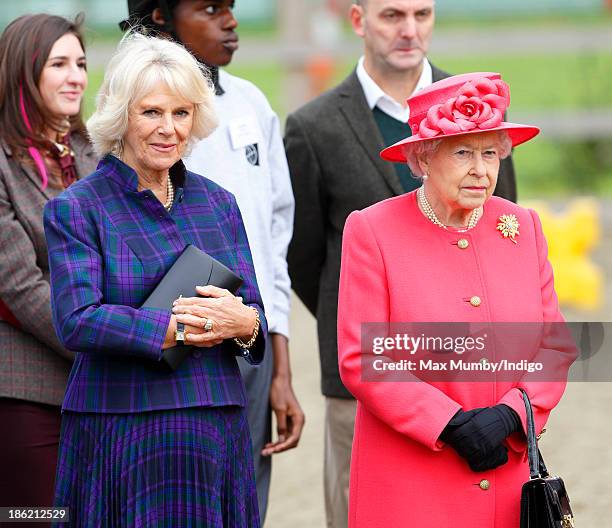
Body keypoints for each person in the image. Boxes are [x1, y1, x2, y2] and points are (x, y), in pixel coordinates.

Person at [284, 1, 517, 525]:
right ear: (358, 20)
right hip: (365, 374)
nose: (409, 29)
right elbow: (304, 255)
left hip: (477, 374)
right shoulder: (312, 126)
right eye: (392, 14)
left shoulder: (478, 112)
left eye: (422, 13)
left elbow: (502, 232)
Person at [44, 33, 266, 526]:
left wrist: (244, 322)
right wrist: (181, 328)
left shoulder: (219, 203)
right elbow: (77, 320)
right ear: (121, 114)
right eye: (151, 112)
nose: (168, 129)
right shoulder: (78, 207)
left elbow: (254, 317)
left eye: (181, 113)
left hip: (215, 426)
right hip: (122, 429)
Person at [337, 72, 575, 527]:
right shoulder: (372, 230)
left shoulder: (522, 226)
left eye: (490, 153)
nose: (481, 170)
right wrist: (446, 423)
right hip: (410, 481)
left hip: (506, 473)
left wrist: (511, 415)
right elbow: (362, 357)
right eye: (463, 152)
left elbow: (555, 345)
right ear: (422, 157)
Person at [119, 2, 304, 519]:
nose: (230, 21)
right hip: (168, 350)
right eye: (209, 8)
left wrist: (279, 368)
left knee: (243, 499)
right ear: (160, 15)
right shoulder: (132, 122)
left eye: (231, 7)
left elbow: (274, 244)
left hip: (248, 346)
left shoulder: (251, 105)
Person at [0, 13, 96, 514]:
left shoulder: (97, 154)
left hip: (102, 391)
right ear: (24, 71)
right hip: (27, 390)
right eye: (59, 63)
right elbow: (18, 283)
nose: (76, 75)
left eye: (80, 62)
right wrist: (105, 342)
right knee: (37, 517)